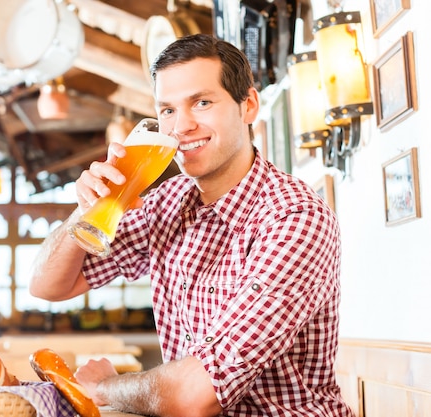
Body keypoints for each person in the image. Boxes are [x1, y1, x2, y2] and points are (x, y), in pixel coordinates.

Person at [30, 33, 354, 417]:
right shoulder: (167, 203)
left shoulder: (293, 217)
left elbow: (192, 397)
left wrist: (105, 387)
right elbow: (47, 284)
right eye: (167, 110)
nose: (181, 126)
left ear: (247, 105)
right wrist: (87, 210)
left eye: (201, 103)